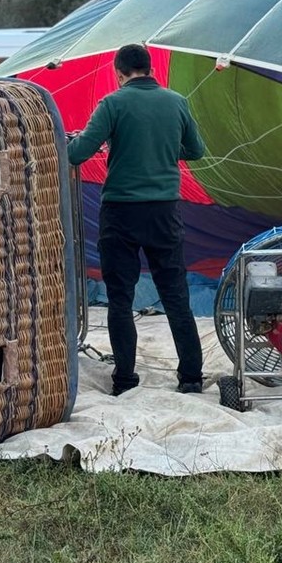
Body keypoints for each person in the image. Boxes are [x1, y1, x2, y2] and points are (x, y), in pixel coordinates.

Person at [68, 44, 206, 396]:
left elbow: (79, 152)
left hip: (122, 213)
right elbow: (196, 150)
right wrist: (159, 148)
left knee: (120, 298)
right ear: (150, 69)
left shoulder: (112, 104)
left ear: (119, 73)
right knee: (176, 297)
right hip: (165, 211)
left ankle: (125, 379)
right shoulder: (177, 102)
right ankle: (191, 377)